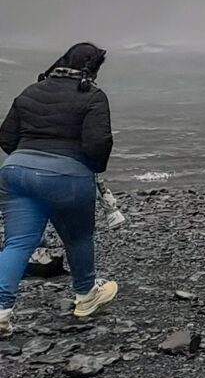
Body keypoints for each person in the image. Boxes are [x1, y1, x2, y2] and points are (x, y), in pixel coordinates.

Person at [0, 42, 119, 332]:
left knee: (17, 243)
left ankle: (1, 311)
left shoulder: (30, 91)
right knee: (78, 239)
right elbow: (97, 143)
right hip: (66, 176)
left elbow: (6, 136)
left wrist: (29, 160)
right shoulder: (92, 96)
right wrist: (88, 167)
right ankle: (86, 297)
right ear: (92, 69)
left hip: (15, 171)